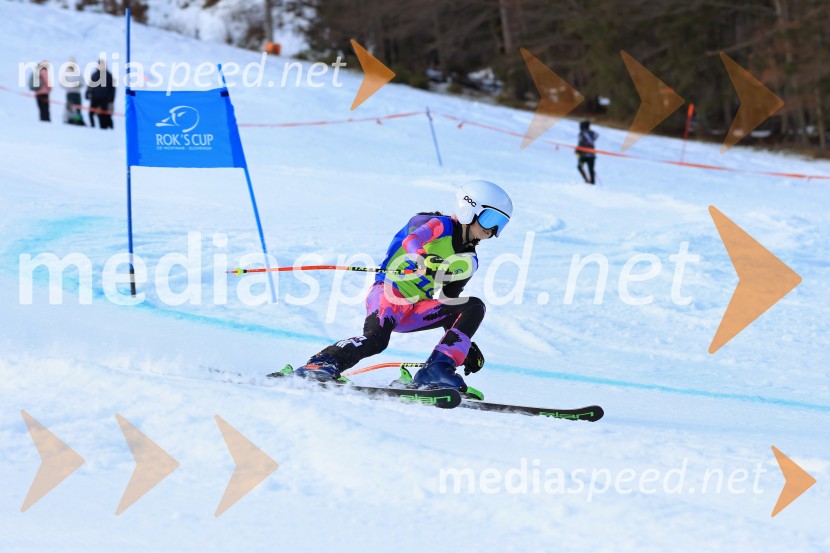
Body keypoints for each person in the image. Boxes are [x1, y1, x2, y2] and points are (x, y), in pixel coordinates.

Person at [290, 180, 514, 394]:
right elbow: (413, 238)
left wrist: (462, 344)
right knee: (376, 340)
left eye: (500, 225)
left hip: (416, 310)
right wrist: (421, 258)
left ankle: (436, 369)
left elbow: (449, 301)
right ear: (469, 209)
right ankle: (323, 362)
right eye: (490, 219)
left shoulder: (468, 261)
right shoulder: (440, 225)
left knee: (473, 306)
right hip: (389, 295)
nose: (492, 230)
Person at [86, 59, 116, 129]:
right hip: (95, 97)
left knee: (104, 115)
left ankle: (106, 128)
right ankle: (93, 126)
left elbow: (112, 88)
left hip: (104, 98)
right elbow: (90, 85)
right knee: (91, 113)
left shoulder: (108, 75)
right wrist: (87, 93)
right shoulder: (95, 75)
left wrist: (111, 98)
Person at [61, 57, 85, 126]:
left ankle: (78, 121)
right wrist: (70, 85)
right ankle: (69, 120)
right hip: (70, 93)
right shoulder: (66, 73)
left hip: (77, 93)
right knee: (70, 108)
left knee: (78, 108)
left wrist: (79, 85)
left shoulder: (78, 73)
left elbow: (83, 83)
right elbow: (62, 84)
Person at [577, 120, 599, 185]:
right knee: (591, 169)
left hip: (583, 155)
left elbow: (580, 143)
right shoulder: (592, 133)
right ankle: (592, 182)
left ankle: (587, 180)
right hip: (592, 155)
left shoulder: (581, 133)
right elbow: (597, 136)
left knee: (579, 167)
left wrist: (577, 151)